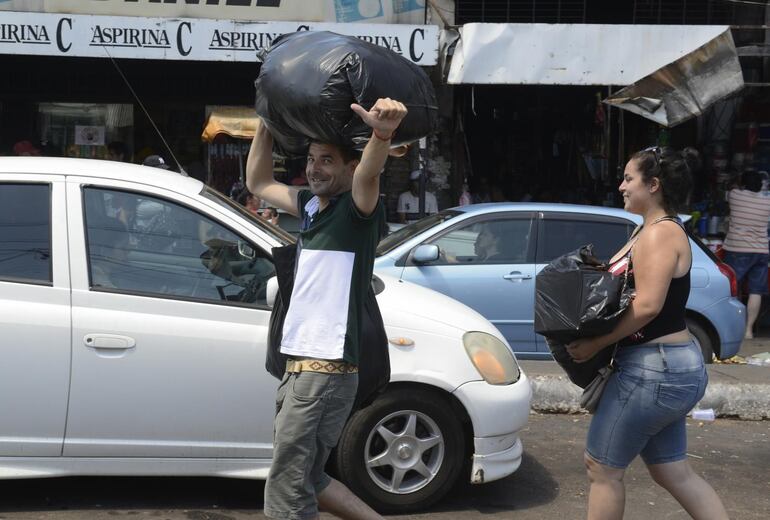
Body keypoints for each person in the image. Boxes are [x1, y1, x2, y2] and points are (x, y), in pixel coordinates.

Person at [246, 97, 407, 520]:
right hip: (299, 370)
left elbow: (369, 174)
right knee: (309, 478)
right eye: (312, 159)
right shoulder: (311, 208)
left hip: (324, 370)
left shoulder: (357, 214)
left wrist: (381, 135)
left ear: (350, 168)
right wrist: (267, 119)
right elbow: (258, 182)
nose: (315, 169)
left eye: (327, 161)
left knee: (287, 489)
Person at [566, 147, 728, 520]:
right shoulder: (651, 229)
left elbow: (648, 306)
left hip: (654, 369)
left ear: (653, 185)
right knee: (671, 470)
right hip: (665, 367)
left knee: (601, 468)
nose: (621, 186)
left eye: (629, 178)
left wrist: (596, 343)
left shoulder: (660, 234)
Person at [722, 169, 770, 339]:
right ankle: (748, 330)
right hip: (761, 251)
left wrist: (738, 179)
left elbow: (729, 184)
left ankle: (731, 328)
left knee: (732, 290)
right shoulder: (767, 201)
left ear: (743, 184)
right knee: (756, 291)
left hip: (737, 249)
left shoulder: (735, 195)